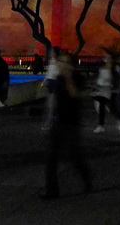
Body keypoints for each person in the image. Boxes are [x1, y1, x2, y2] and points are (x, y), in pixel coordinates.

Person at [39, 52, 92, 199]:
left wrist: (69, 77)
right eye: (60, 62)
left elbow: (75, 94)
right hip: (58, 122)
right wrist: (49, 119)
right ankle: (52, 190)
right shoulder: (58, 78)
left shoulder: (77, 77)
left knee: (74, 156)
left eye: (65, 62)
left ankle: (87, 179)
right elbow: (55, 99)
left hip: (71, 123)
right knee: (50, 158)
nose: (61, 65)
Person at [91, 54, 115, 133]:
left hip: (107, 91)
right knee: (101, 108)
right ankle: (101, 125)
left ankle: (101, 125)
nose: (107, 59)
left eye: (109, 58)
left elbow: (114, 81)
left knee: (106, 107)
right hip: (100, 90)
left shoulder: (113, 70)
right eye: (106, 58)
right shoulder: (101, 68)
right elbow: (98, 78)